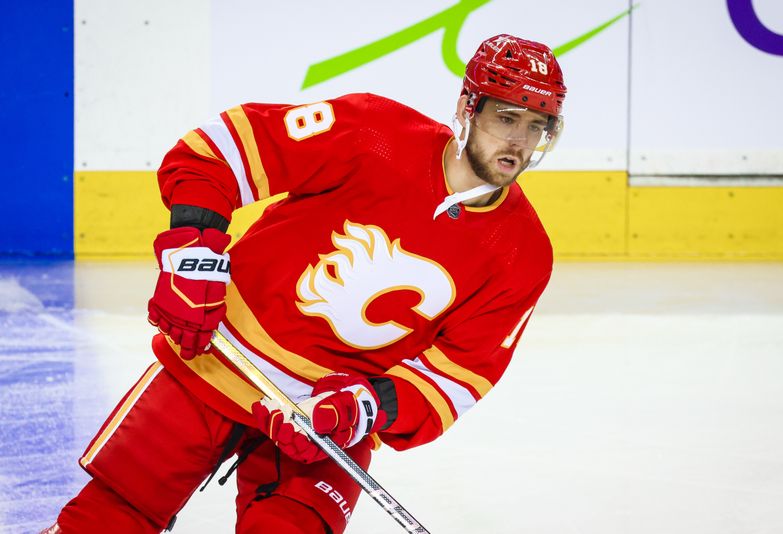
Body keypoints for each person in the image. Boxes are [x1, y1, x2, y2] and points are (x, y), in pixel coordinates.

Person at [43, 34, 567, 533]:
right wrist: (193, 254)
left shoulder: (523, 253)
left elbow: (461, 374)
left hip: (324, 424)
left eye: (537, 126)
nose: (519, 141)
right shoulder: (374, 132)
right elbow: (222, 148)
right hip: (218, 357)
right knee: (106, 520)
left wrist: (365, 407)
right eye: (507, 117)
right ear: (466, 108)